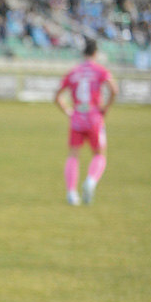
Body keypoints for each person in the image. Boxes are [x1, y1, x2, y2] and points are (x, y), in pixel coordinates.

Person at [54, 38, 118, 205]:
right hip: (94, 115)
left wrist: (69, 112)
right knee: (99, 154)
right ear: (95, 53)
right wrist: (106, 108)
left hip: (77, 116)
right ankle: (90, 181)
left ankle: (71, 193)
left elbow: (57, 96)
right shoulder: (100, 70)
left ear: (83, 53)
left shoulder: (74, 71)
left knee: (73, 155)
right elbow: (114, 89)